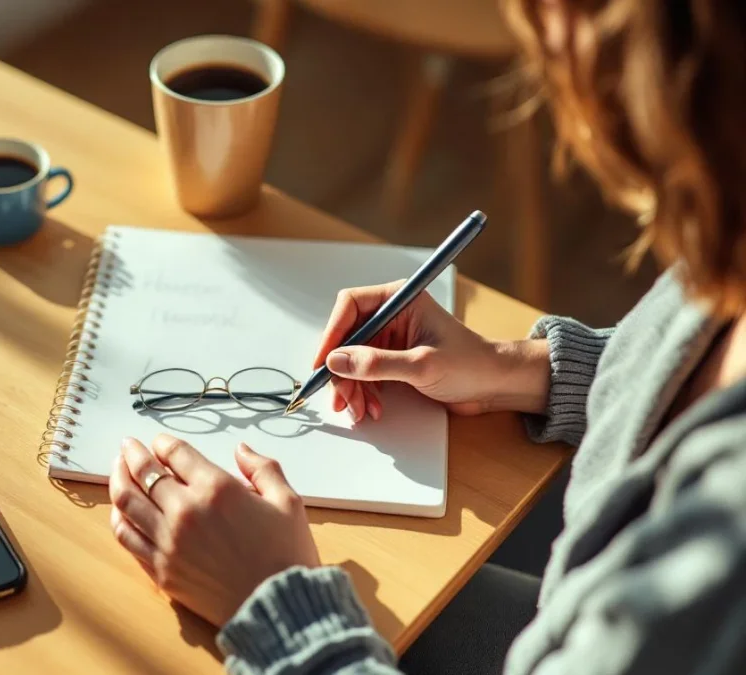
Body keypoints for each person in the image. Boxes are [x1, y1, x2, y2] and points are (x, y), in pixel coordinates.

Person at [106, 0, 746, 673]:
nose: (543, 55)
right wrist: (519, 368)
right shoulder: (730, 245)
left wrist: (271, 602)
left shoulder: (719, 554)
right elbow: (699, 374)